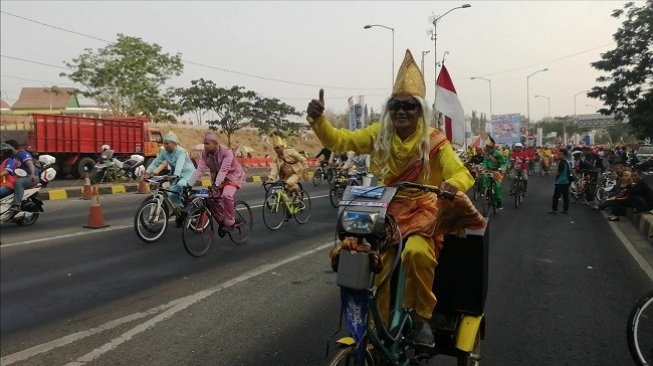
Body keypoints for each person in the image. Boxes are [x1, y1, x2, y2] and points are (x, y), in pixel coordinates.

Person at [306, 50, 475, 347]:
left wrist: (452, 184)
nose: (402, 111)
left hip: (425, 210)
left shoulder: (435, 140)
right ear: (390, 108)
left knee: (416, 254)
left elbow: (460, 173)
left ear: (419, 109)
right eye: (396, 105)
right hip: (385, 211)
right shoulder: (378, 134)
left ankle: (422, 320)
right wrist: (319, 120)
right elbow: (340, 140)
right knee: (373, 264)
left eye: (409, 105)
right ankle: (375, 332)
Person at [189, 132, 246, 229]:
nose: (205, 146)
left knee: (226, 195)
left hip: (233, 176)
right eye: (204, 143)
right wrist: (189, 185)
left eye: (207, 143)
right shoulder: (204, 154)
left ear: (216, 144)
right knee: (211, 198)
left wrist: (216, 185)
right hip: (218, 178)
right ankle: (223, 218)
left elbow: (224, 169)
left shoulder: (227, 152)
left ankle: (230, 221)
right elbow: (200, 170)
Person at [143, 132, 196, 225]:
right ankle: (179, 210)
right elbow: (156, 162)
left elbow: (180, 164)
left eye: (167, 143)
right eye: (164, 143)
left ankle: (188, 209)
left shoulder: (181, 151)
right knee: (171, 193)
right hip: (175, 175)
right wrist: (147, 173)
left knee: (180, 185)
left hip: (189, 174)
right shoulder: (164, 152)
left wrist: (175, 175)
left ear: (174, 143)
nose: (165, 145)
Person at [2, 140, 40, 214]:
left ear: (12, 146)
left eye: (6, 146)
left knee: (19, 182)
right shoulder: (11, 157)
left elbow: (30, 164)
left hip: (30, 177)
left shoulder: (23, 154)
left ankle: (16, 205)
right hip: (19, 177)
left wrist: (32, 174)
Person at [267, 135, 308, 202]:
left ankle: (298, 196)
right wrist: (271, 176)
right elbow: (273, 167)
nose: (276, 150)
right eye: (274, 148)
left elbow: (302, 159)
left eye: (277, 147)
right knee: (284, 189)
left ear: (282, 147)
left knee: (289, 183)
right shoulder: (276, 158)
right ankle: (290, 201)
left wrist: (305, 168)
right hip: (285, 175)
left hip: (296, 173)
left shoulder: (291, 152)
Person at [481, 136, 508, 209]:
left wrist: (501, 169)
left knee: (497, 187)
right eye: (486, 147)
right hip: (489, 171)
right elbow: (485, 162)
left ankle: (499, 202)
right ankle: (487, 193)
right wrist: (483, 168)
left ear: (491, 148)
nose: (486, 148)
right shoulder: (486, 154)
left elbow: (503, 163)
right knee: (484, 180)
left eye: (488, 147)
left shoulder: (498, 154)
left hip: (497, 171)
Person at [549, 148, 573, 214]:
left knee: (556, 197)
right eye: (559, 154)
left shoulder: (561, 163)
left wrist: (556, 180)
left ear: (564, 155)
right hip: (567, 182)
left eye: (560, 154)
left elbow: (558, 173)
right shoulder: (568, 162)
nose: (559, 155)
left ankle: (554, 210)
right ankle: (565, 210)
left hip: (560, 182)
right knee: (565, 197)